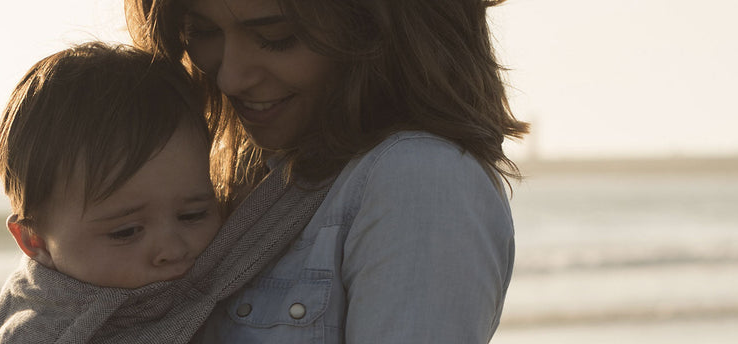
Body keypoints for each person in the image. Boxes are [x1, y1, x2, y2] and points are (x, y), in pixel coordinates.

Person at [126, 0, 529, 342]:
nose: (230, 76)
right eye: (202, 31)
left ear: (376, 28)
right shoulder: (259, 175)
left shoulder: (420, 178)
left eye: (277, 36)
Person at [0, 42, 224, 342]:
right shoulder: (41, 333)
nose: (173, 250)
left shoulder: (238, 250)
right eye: (126, 232)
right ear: (36, 241)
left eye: (193, 215)